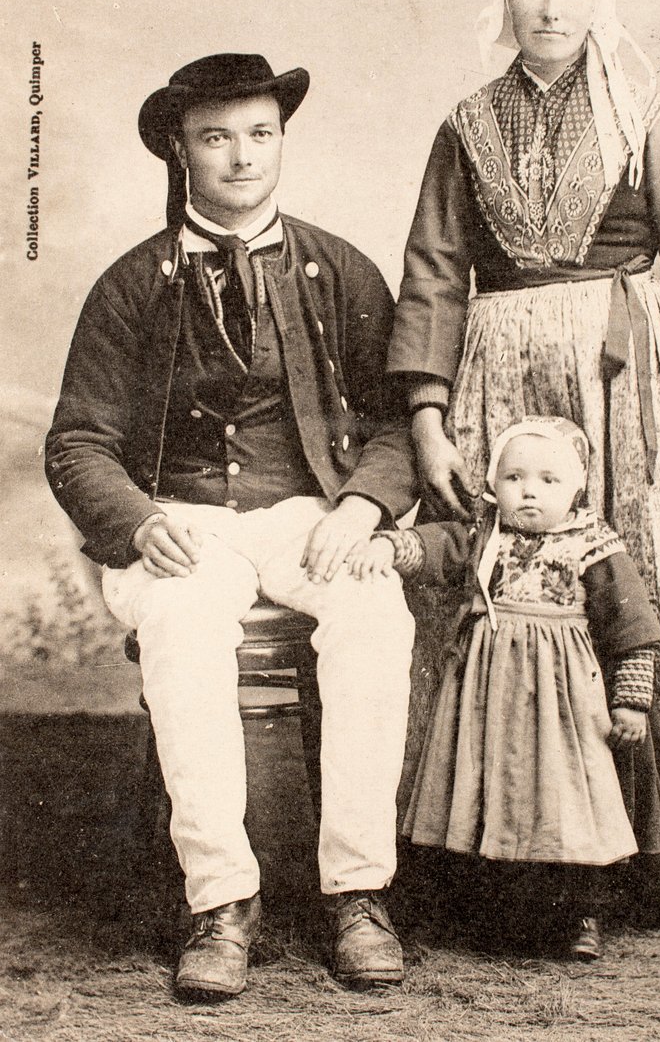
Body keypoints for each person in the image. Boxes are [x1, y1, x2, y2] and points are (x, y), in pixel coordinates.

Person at [45, 53, 420, 999]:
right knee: (182, 621)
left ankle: (358, 893)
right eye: (217, 137)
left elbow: (395, 422)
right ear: (180, 148)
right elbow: (79, 441)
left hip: (308, 513)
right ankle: (220, 903)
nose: (243, 157)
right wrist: (134, 523)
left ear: (281, 140)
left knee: (376, 614)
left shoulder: (336, 269)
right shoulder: (133, 283)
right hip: (177, 518)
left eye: (261, 134)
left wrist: (363, 505)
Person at [386, 0, 660, 823]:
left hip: (623, 377)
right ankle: (496, 813)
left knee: (636, 570)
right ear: (503, 0)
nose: (550, 7)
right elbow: (433, 276)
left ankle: (650, 825)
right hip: (497, 378)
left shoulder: (642, 113)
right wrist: (428, 424)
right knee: (494, 568)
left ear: (600, 0)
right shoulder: (466, 123)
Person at [348, 416, 660, 958]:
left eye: (548, 480)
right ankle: (493, 908)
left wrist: (631, 701)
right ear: (494, 483)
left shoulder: (594, 544)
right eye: (515, 478)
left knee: (569, 800)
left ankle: (581, 911)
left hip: (566, 703)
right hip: (487, 697)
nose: (530, 492)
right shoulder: (484, 534)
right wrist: (391, 547)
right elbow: (436, 547)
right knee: (488, 793)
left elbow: (633, 629)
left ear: (577, 488)